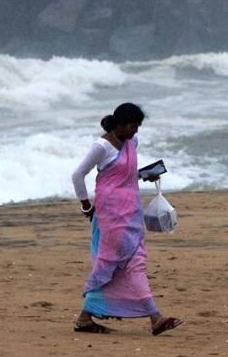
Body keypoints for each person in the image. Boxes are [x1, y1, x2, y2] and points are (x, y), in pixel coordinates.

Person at [70, 102, 183, 336]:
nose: (136, 131)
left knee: (121, 264)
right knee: (122, 263)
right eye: (132, 126)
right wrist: (85, 205)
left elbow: (126, 172)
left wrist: (146, 175)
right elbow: (77, 175)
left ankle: (85, 318)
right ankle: (155, 317)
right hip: (110, 216)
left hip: (131, 213)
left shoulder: (132, 142)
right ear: (119, 124)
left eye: (138, 127)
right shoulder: (101, 147)